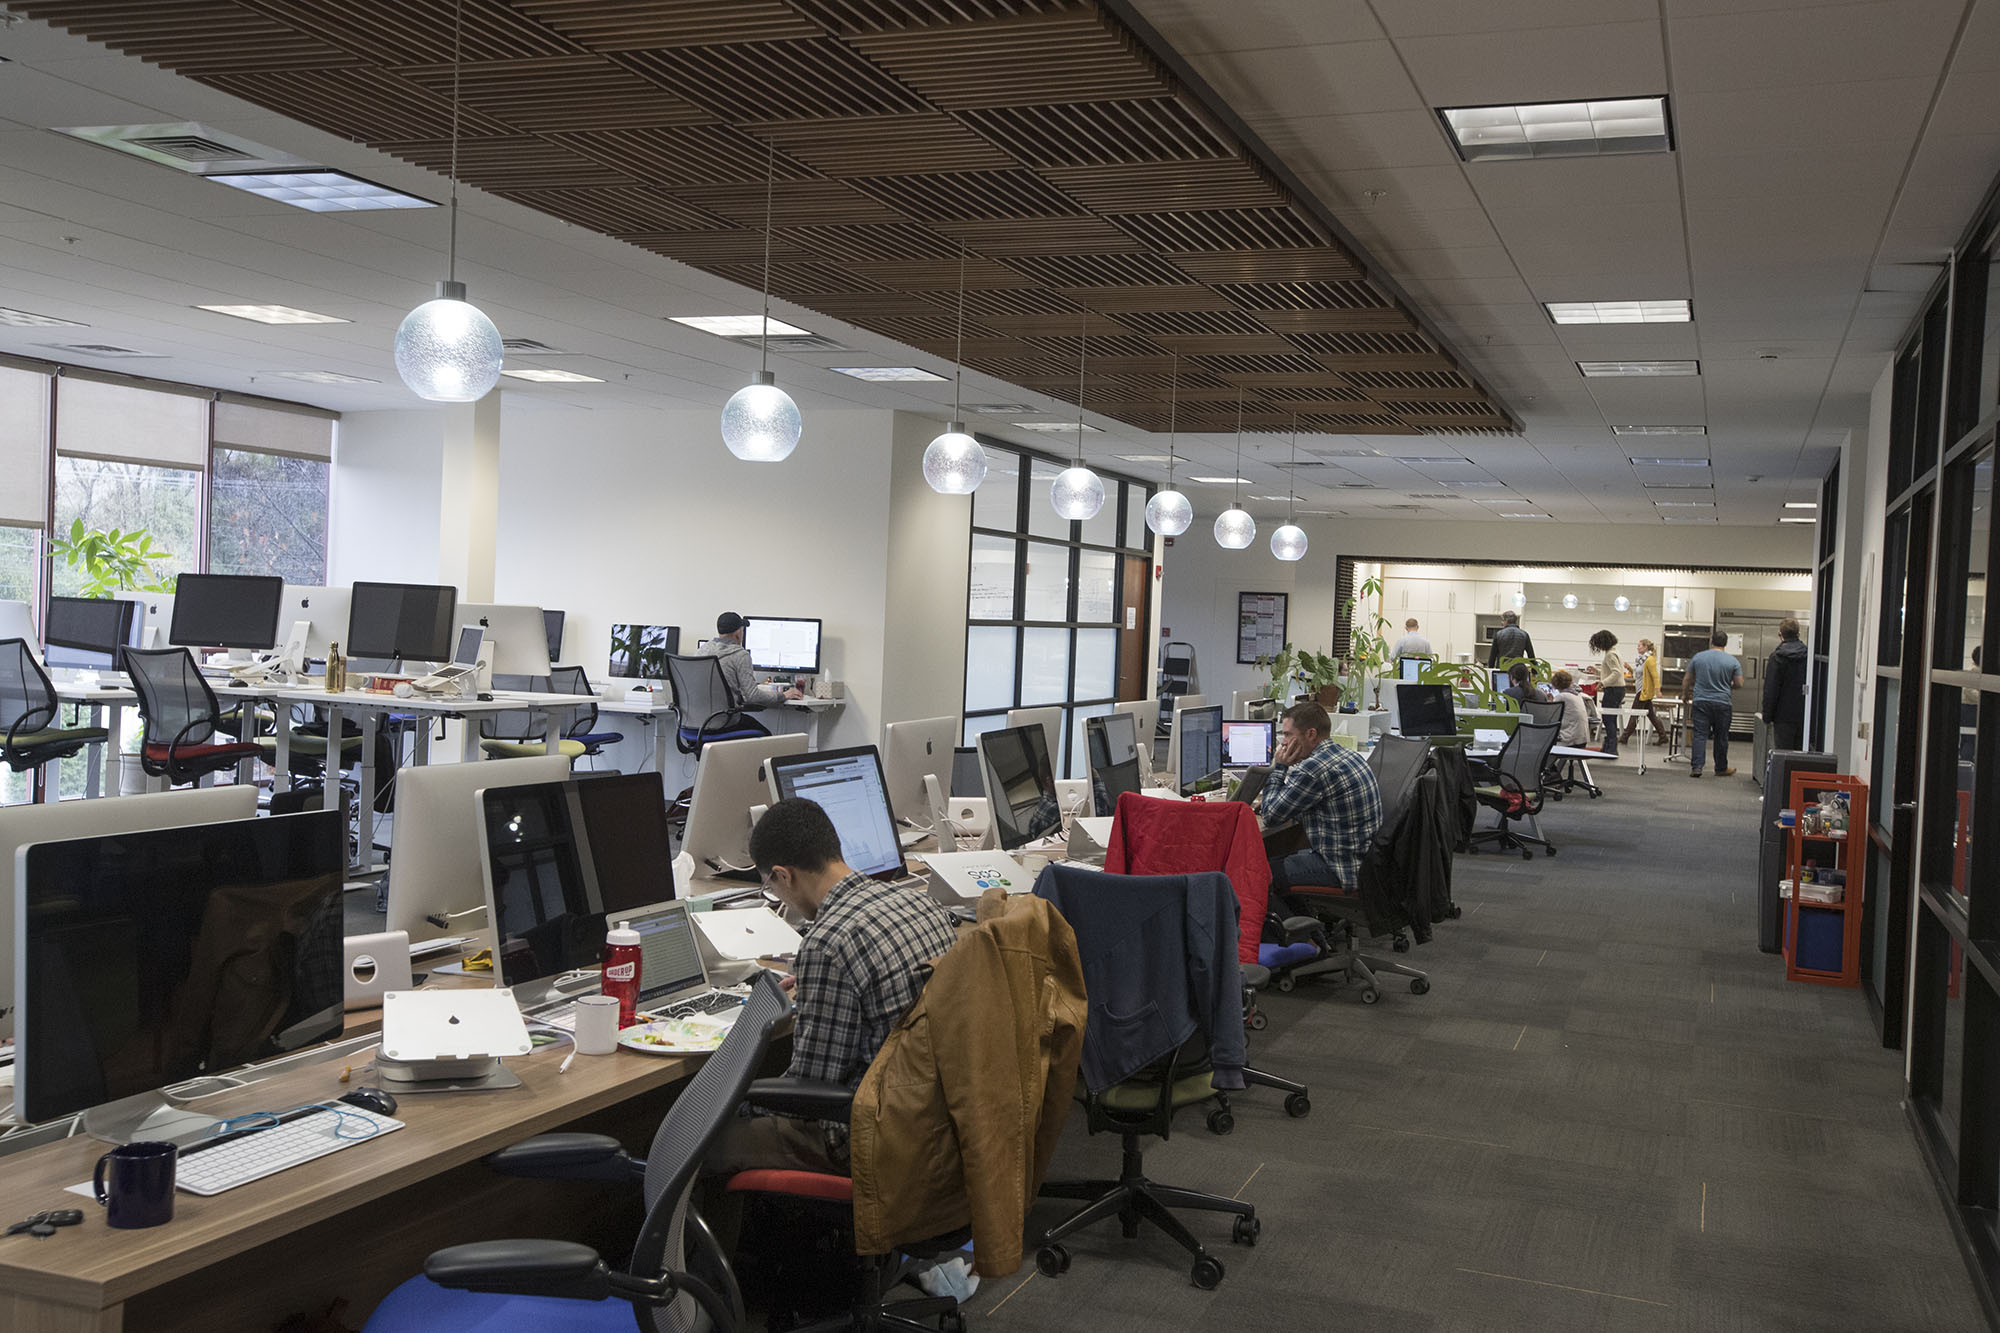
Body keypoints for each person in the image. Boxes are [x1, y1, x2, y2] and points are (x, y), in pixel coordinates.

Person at [707, 798, 960, 1179]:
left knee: (702, 1142)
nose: (778, 896)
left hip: (869, 1133)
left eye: (771, 886)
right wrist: (818, 984)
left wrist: (735, 1102)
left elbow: (808, 1089)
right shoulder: (921, 905)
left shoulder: (827, 944)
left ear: (783, 875)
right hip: (941, 1122)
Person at [1257, 701, 1384, 894]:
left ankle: (1286, 924)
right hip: (1365, 863)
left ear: (1311, 734)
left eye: (1288, 734)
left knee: (1257, 874)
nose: (1283, 742)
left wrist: (1280, 767)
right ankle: (1301, 918)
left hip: (1340, 868)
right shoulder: (1347, 755)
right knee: (1274, 860)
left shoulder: (1313, 769)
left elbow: (1270, 816)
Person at [706, 611, 803, 706]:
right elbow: (752, 696)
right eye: (742, 630)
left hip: (699, 719)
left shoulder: (702, 650)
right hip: (726, 718)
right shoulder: (740, 655)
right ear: (738, 633)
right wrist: (783, 696)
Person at [1687, 628, 1743, 778]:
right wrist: (1727, 685)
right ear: (1725, 643)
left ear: (1711, 641)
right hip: (1723, 703)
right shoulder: (1732, 661)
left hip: (1701, 701)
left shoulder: (1698, 657)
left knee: (1699, 735)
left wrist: (1685, 695)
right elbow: (1739, 683)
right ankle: (1720, 768)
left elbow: (1687, 679)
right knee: (1721, 736)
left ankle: (1697, 767)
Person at [1763, 617, 1809, 752]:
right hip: (1803, 714)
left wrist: (1767, 716)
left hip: (1782, 716)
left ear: (1780, 634)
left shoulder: (1777, 657)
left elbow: (1771, 689)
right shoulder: (1808, 655)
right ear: (1798, 634)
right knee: (1802, 755)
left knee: (1783, 755)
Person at [1587, 630, 1627, 758]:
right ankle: (1609, 746)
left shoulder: (1610, 655)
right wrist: (1598, 672)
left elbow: (1616, 673)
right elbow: (1613, 672)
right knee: (1611, 719)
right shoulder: (1615, 652)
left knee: (1608, 719)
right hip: (1618, 689)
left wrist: (1603, 682)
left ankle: (1611, 748)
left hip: (1613, 690)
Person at [1621, 638, 1669, 745]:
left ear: (1645, 647)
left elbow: (1655, 676)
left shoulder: (1649, 660)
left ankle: (1624, 737)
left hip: (1644, 691)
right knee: (1651, 715)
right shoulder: (1641, 660)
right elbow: (1638, 674)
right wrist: (1629, 669)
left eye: (1640, 645)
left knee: (1634, 713)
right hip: (1641, 689)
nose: (1638, 647)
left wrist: (1658, 690)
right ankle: (1663, 736)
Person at [1547, 669, 1593, 749]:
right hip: (1582, 739)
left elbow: (1551, 716)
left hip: (1569, 740)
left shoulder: (1561, 696)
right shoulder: (1577, 694)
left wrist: (1549, 702)